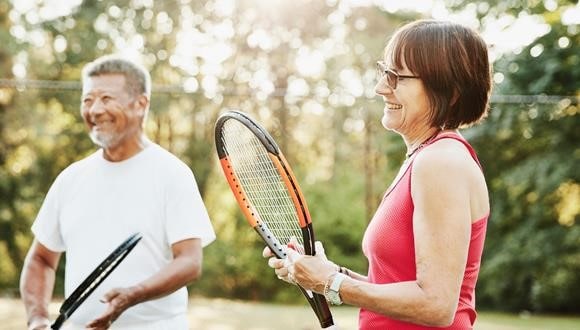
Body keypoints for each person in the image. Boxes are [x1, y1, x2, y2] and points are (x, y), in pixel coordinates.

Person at [265, 19, 492, 329]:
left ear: (449, 92)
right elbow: (396, 285)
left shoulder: (441, 162)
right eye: (386, 73)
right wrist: (324, 274)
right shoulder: (425, 157)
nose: (381, 87)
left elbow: (437, 305)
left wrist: (331, 283)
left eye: (397, 77)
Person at [20, 55, 216, 330]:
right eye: (87, 100)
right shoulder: (70, 179)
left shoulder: (172, 173)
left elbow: (189, 261)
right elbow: (41, 259)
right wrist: (38, 319)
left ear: (141, 104)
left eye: (106, 98)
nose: (95, 110)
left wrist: (132, 295)